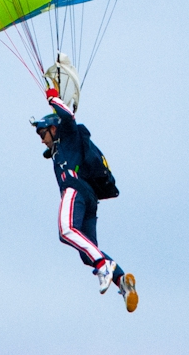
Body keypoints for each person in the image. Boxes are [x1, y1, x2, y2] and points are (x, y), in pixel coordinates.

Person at [31, 79, 139, 312]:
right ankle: (123, 282)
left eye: (43, 132)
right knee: (87, 250)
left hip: (75, 190)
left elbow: (68, 117)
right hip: (89, 198)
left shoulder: (68, 133)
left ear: (53, 128)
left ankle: (103, 265)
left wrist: (53, 97)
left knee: (66, 230)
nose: (41, 138)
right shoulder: (59, 148)